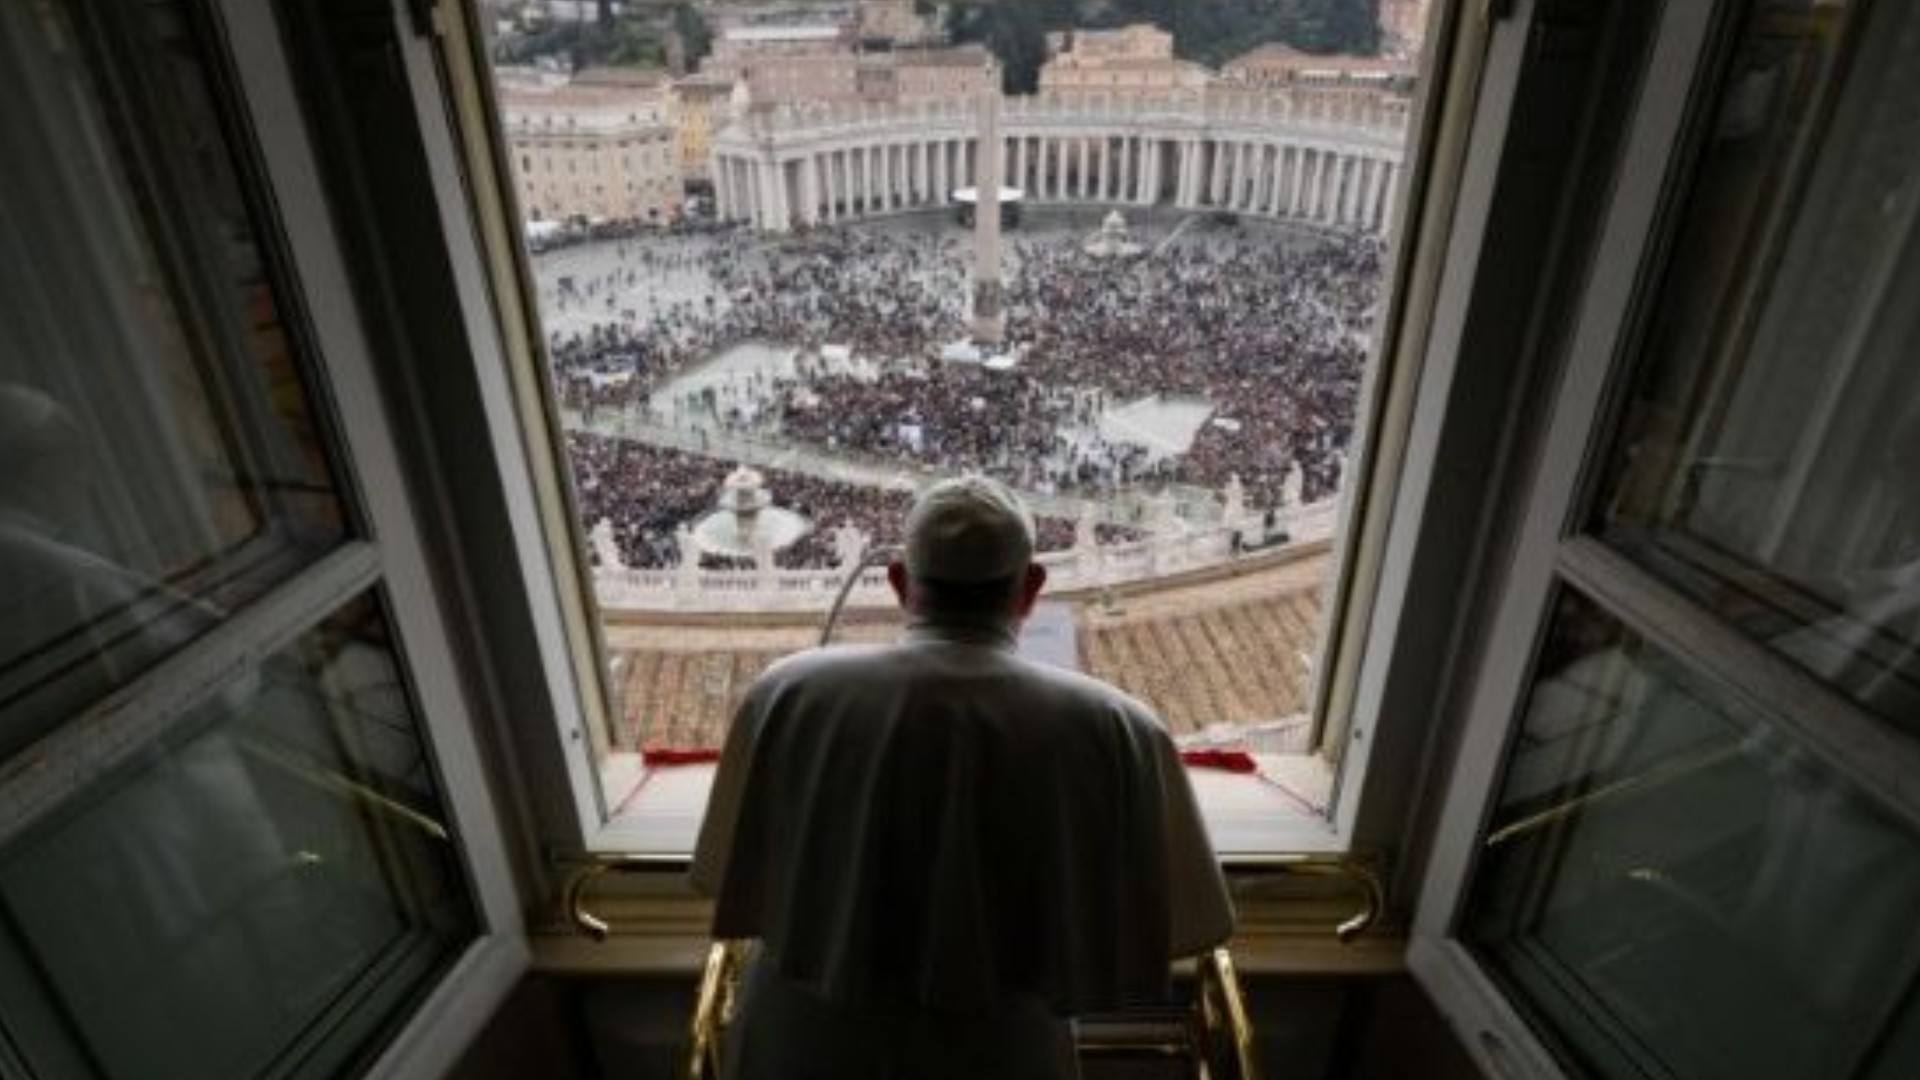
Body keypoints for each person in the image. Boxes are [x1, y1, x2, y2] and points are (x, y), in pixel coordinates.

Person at [691, 475, 1234, 1080]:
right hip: (996, 1053)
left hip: (797, 1046)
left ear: (899, 582)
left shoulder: (783, 693)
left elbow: (723, 873)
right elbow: (1191, 925)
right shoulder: (1118, 727)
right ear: (1031, 589)